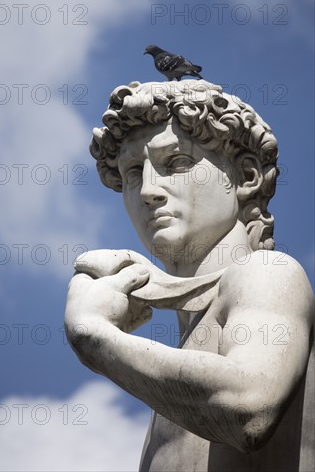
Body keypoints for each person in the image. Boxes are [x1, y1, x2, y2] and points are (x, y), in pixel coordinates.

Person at [65, 80, 314, 472]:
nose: (149, 190)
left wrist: (95, 336)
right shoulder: (182, 361)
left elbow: (249, 408)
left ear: (246, 177)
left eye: (177, 163)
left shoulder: (267, 273)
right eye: (133, 172)